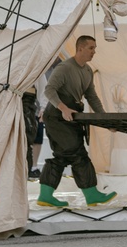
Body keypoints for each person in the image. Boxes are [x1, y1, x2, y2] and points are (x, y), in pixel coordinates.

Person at [38, 36, 116, 208]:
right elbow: (49, 90)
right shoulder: (64, 67)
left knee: (61, 156)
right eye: (91, 48)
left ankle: (45, 196)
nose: (94, 51)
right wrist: (63, 108)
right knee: (77, 153)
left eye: (94, 48)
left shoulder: (88, 71)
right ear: (80, 48)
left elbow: (92, 98)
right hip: (56, 117)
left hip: (72, 116)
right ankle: (92, 194)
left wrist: (104, 119)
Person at [22, 85, 44, 179]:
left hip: (33, 111)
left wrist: (43, 108)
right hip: (17, 107)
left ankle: (33, 168)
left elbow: (44, 90)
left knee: (34, 140)